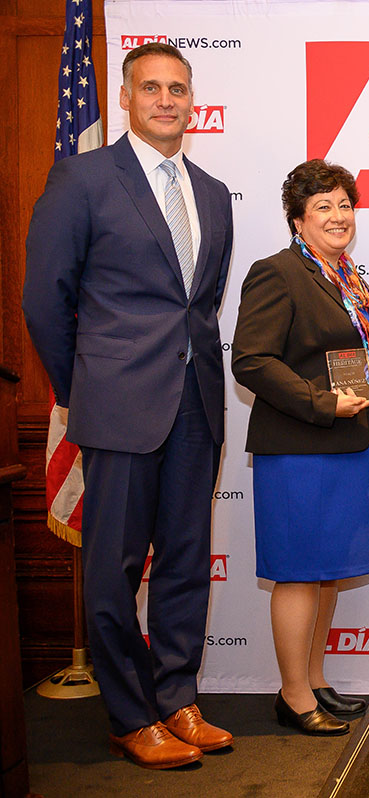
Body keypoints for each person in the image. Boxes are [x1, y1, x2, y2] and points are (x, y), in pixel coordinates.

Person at [21, 42, 234, 768]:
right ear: (126, 97)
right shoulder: (82, 178)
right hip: (116, 406)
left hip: (198, 404)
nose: (166, 100)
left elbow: (197, 308)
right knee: (113, 567)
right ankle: (128, 713)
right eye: (152, 88)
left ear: (192, 102)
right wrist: (84, 391)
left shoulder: (211, 192)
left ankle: (177, 699)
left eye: (178, 88)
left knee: (184, 560)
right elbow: (45, 301)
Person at [232, 159, 369, 736]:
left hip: (351, 443)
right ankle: (293, 693)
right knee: (300, 573)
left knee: (327, 572)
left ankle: (317, 679)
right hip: (300, 447)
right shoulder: (277, 272)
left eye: (344, 204)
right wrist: (322, 402)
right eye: (322, 206)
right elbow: (250, 360)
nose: (337, 215)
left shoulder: (348, 278)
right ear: (297, 219)